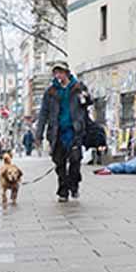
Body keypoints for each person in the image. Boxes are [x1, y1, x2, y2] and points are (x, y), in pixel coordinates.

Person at [36, 61, 92, 202]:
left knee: (75, 161)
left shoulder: (77, 87)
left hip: (74, 131)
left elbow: (88, 103)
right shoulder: (50, 92)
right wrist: (39, 134)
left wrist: (85, 97)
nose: (58, 75)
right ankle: (63, 191)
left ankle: (74, 185)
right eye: (56, 72)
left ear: (66, 72)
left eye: (60, 72)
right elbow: (43, 113)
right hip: (57, 132)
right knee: (59, 163)